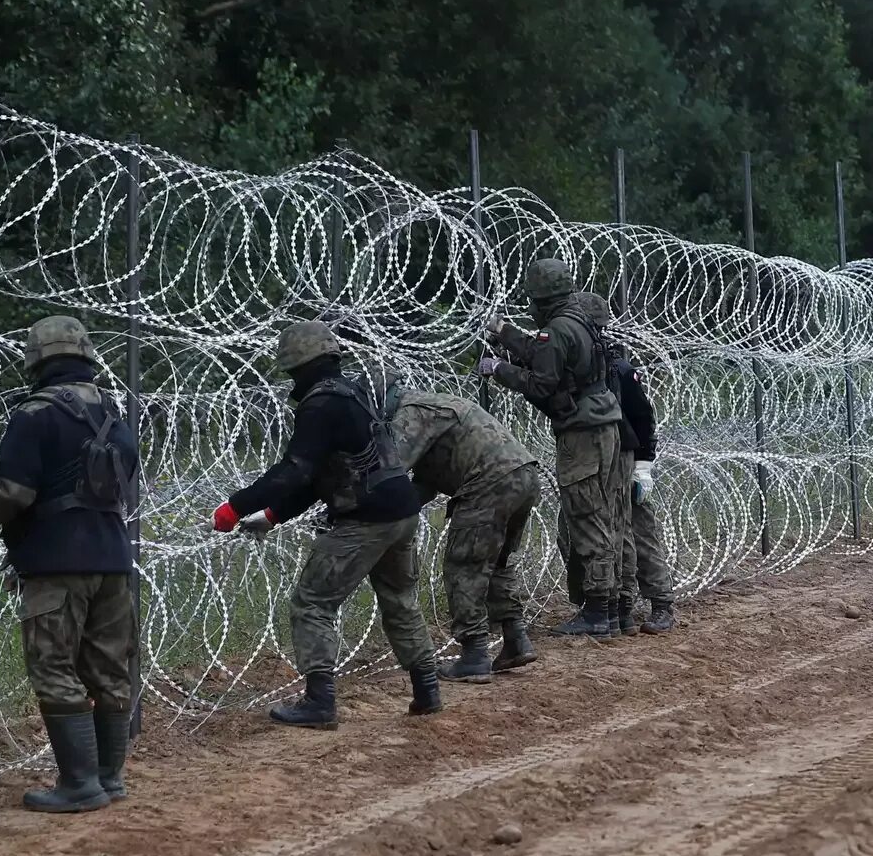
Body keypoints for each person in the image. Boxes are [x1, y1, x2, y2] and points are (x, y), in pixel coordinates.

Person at [0, 315, 141, 813]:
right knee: (109, 670)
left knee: (53, 667)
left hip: (56, 563)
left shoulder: (36, 414)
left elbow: (13, 491)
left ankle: (78, 785)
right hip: (114, 559)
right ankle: (109, 779)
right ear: (86, 357)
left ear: (36, 360)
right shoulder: (114, 414)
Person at [213, 320, 440, 728]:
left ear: (299, 366)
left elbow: (295, 471)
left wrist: (235, 506)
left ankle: (320, 703)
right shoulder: (352, 394)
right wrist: (272, 515)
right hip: (401, 511)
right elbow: (327, 475)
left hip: (367, 519)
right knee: (400, 600)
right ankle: (427, 691)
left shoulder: (320, 405)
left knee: (312, 603)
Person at [481, 259, 630, 639]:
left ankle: (597, 612)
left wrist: (498, 369)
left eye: (532, 298)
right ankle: (610, 608)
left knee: (586, 514)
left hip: (582, 434)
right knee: (607, 513)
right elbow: (539, 351)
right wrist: (504, 331)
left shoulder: (558, 329)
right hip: (604, 426)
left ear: (541, 298)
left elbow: (541, 384)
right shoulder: (576, 320)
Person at [388, 389, 542, 679]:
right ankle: (516, 639)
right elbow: (424, 483)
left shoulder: (409, 412)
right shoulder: (436, 405)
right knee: (497, 563)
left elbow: (393, 468)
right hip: (523, 475)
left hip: (489, 481)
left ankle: (475, 655)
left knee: (465, 567)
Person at [611, 356, 676, 635]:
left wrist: (643, 466)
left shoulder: (620, 370)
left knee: (641, 533)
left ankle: (661, 605)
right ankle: (618, 604)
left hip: (630, 463)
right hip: (596, 463)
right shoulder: (571, 363)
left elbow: (643, 417)